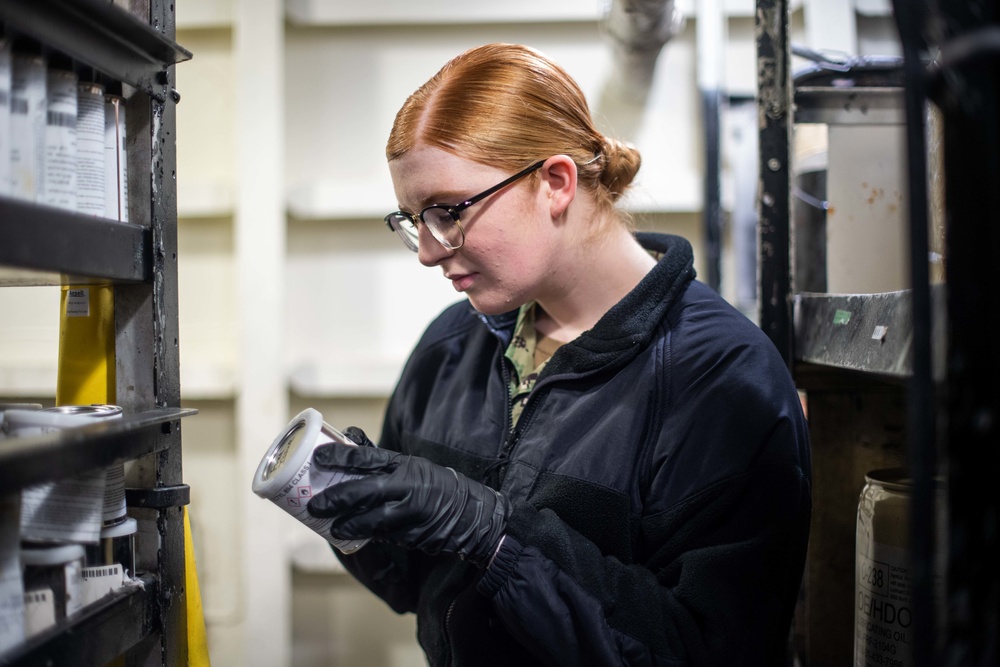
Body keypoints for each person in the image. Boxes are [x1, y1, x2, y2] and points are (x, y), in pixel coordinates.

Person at [306, 42, 811, 666]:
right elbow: (416, 589)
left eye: (446, 212)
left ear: (555, 182)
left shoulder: (722, 379)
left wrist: (493, 534)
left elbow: (707, 649)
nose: (428, 252)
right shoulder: (449, 348)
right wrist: (353, 516)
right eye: (412, 219)